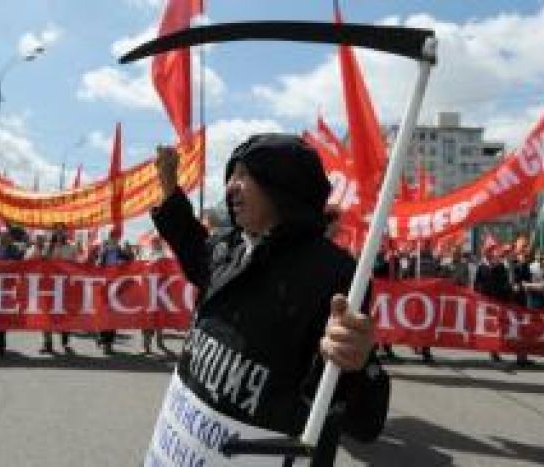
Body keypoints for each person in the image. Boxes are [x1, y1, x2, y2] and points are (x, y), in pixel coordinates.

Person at [144, 134, 388, 465]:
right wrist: (171, 188)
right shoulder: (228, 247)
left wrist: (355, 363)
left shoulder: (334, 274)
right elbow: (191, 246)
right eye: (231, 175)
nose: (231, 186)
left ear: (281, 185)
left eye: (244, 174)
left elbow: (364, 422)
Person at [40, 224, 75, 354]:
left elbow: (75, 266)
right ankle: (47, 342)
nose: (59, 233)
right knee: (46, 315)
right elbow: (40, 262)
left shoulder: (71, 248)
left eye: (62, 231)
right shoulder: (48, 247)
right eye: (57, 230)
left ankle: (65, 342)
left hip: (65, 286)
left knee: (64, 314)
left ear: (65, 233)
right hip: (48, 286)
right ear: (54, 232)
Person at [474, 243, 511, 363]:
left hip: (497, 300)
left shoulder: (500, 266)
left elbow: (505, 283)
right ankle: (491, 349)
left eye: (491, 250)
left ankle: (495, 350)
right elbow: (476, 283)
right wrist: (478, 294)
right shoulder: (481, 266)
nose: (489, 252)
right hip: (485, 300)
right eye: (487, 250)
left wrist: (505, 296)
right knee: (488, 326)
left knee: (497, 326)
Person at [141, 236, 171, 355]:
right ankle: (146, 346)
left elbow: (170, 273)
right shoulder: (145, 256)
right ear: (151, 243)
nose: (156, 244)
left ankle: (160, 343)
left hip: (160, 292)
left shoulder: (165, 256)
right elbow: (140, 271)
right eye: (154, 242)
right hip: (148, 292)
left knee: (160, 319)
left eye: (158, 242)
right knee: (147, 320)